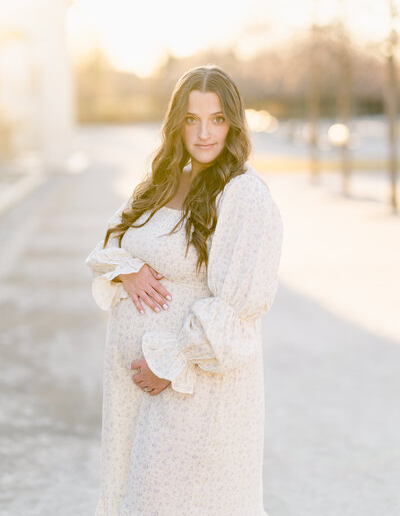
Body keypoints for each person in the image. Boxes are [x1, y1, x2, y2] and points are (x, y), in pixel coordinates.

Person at [85, 64, 283, 516]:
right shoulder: (163, 183)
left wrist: (167, 363)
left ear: (234, 122)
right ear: (177, 123)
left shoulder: (243, 194)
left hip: (193, 391)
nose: (204, 133)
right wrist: (128, 270)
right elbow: (107, 245)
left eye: (216, 119)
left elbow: (238, 310)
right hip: (136, 393)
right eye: (192, 119)